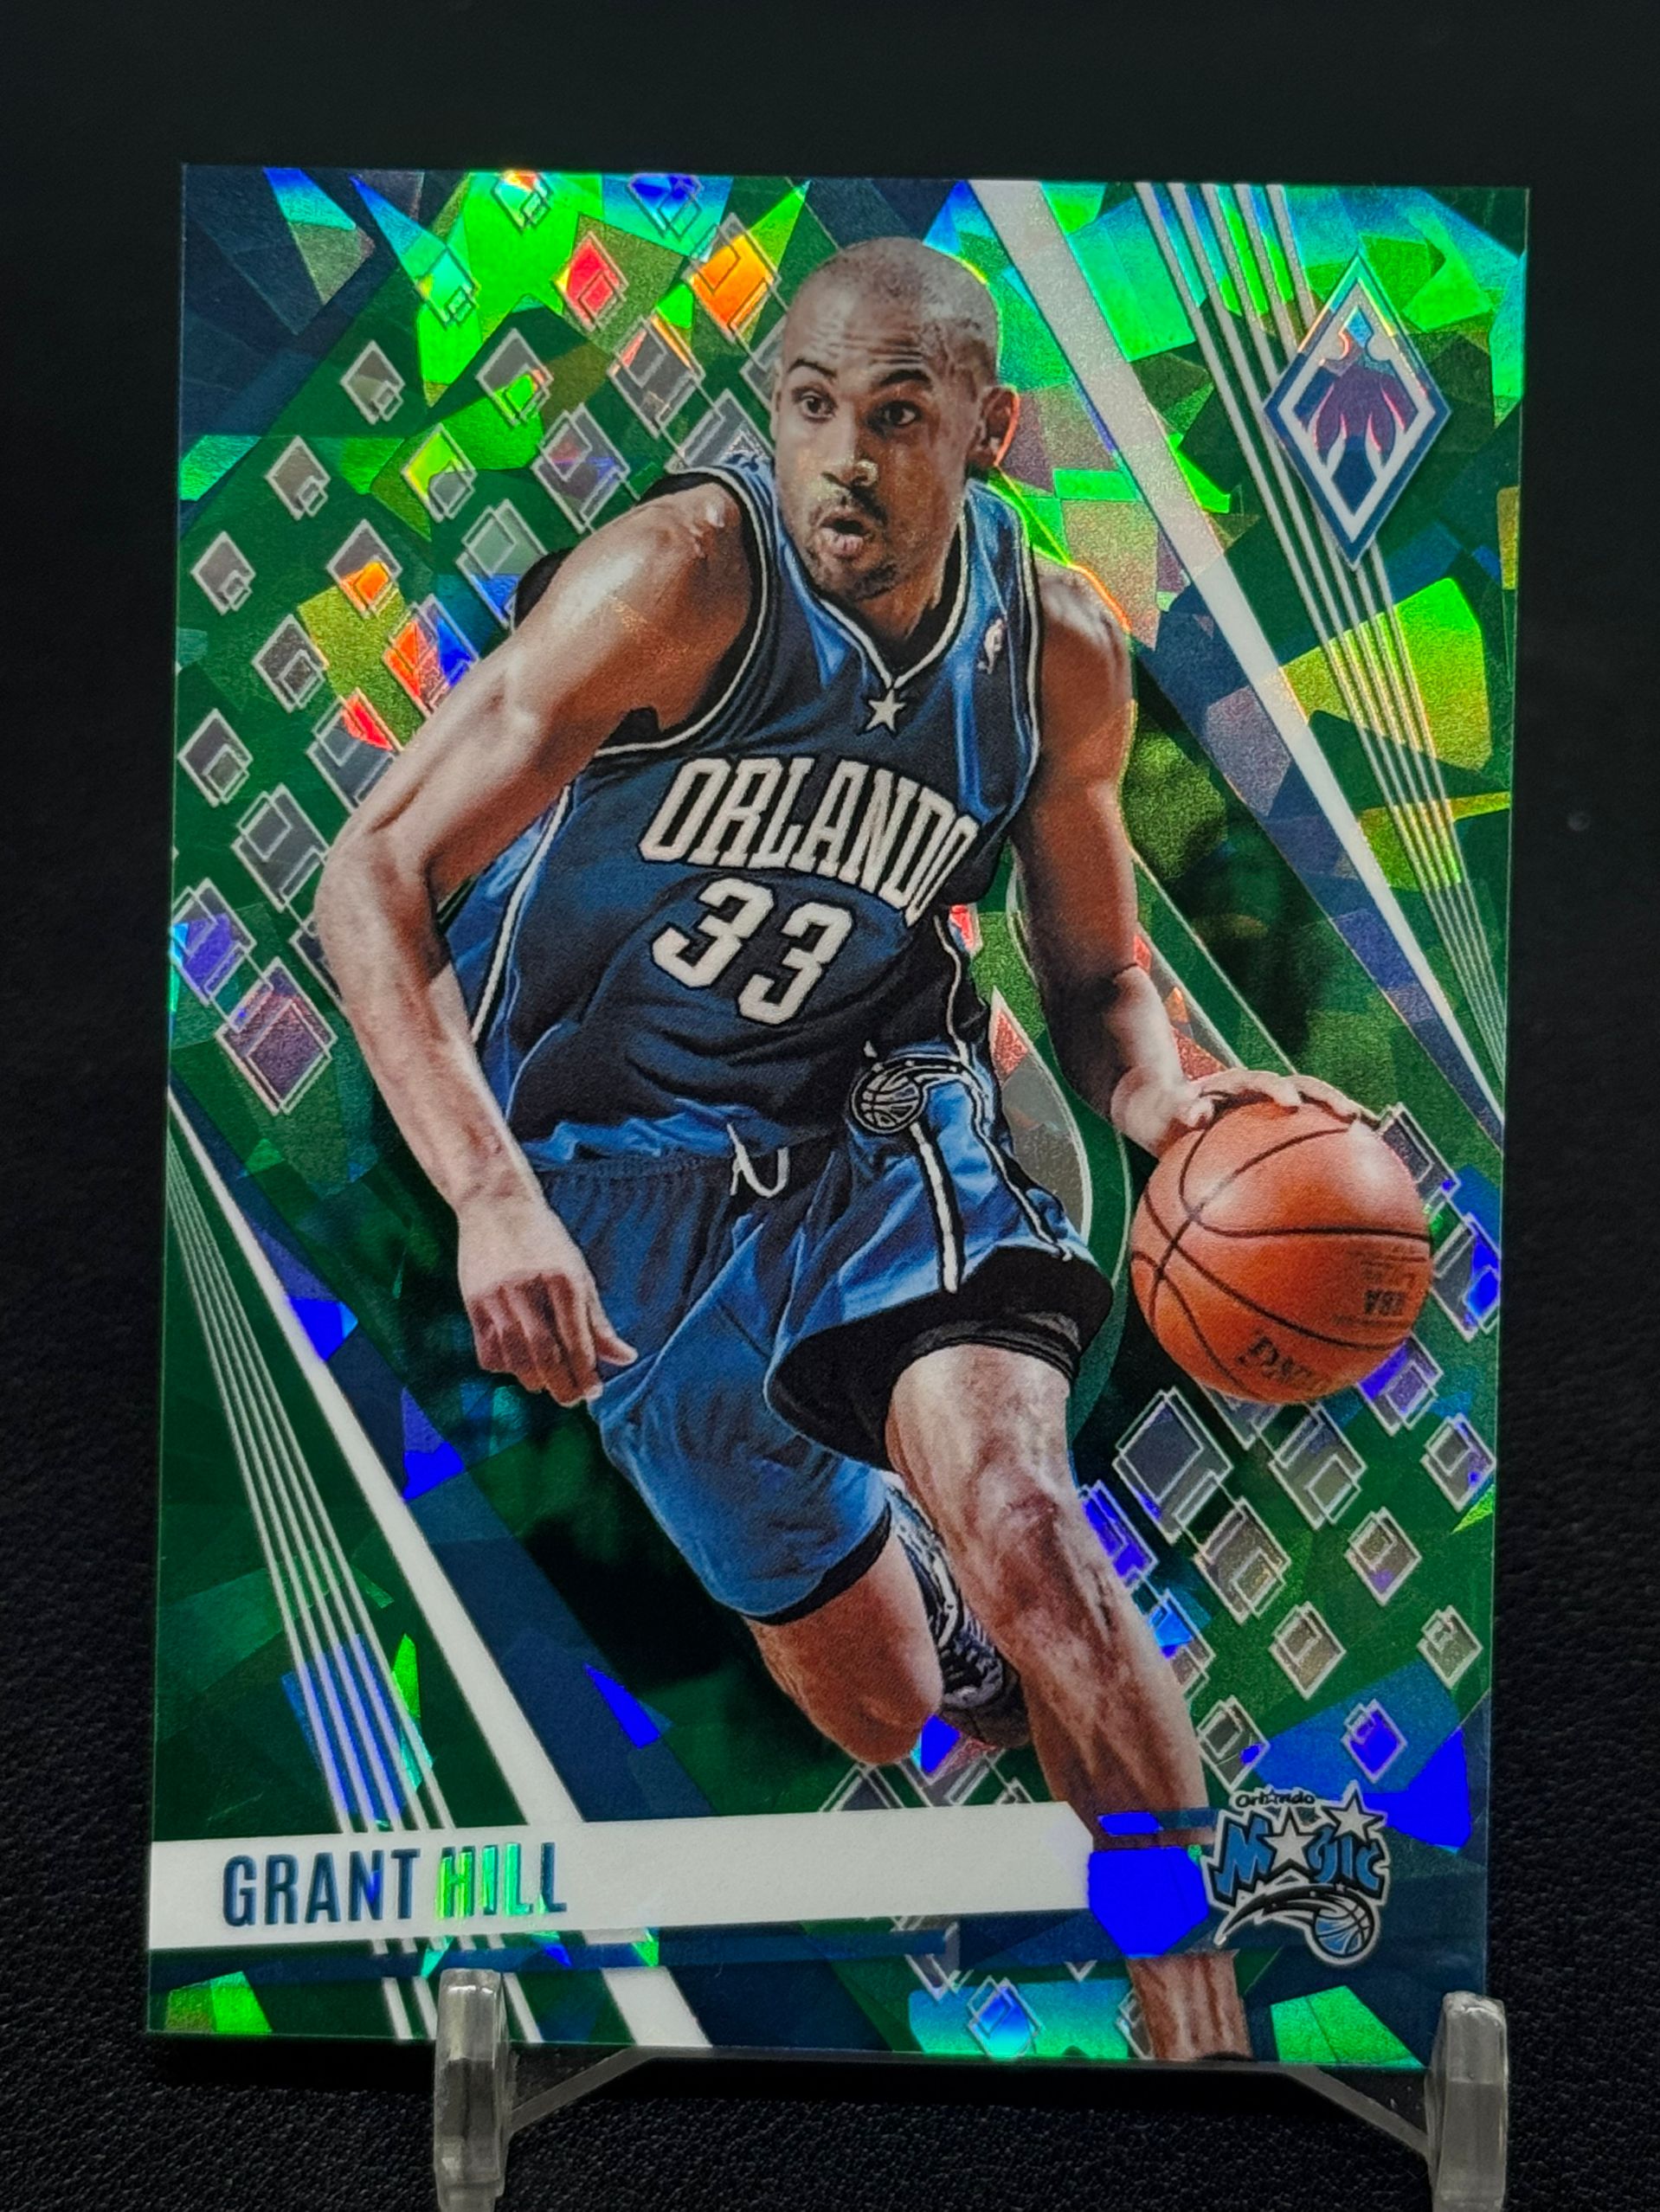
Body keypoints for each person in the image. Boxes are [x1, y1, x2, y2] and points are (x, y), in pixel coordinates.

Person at [316, 236, 1361, 2060]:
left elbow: (1097, 969)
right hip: (613, 1185)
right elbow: (372, 873)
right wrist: (489, 1195)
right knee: (883, 1711)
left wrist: (1153, 1095)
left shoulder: (1051, 654)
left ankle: (1184, 1993)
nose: (842, 461)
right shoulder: (675, 581)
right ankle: (962, 1636)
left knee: (1026, 1516)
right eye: (809, 408)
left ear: (987, 433)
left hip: (876, 1119)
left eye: (895, 416)